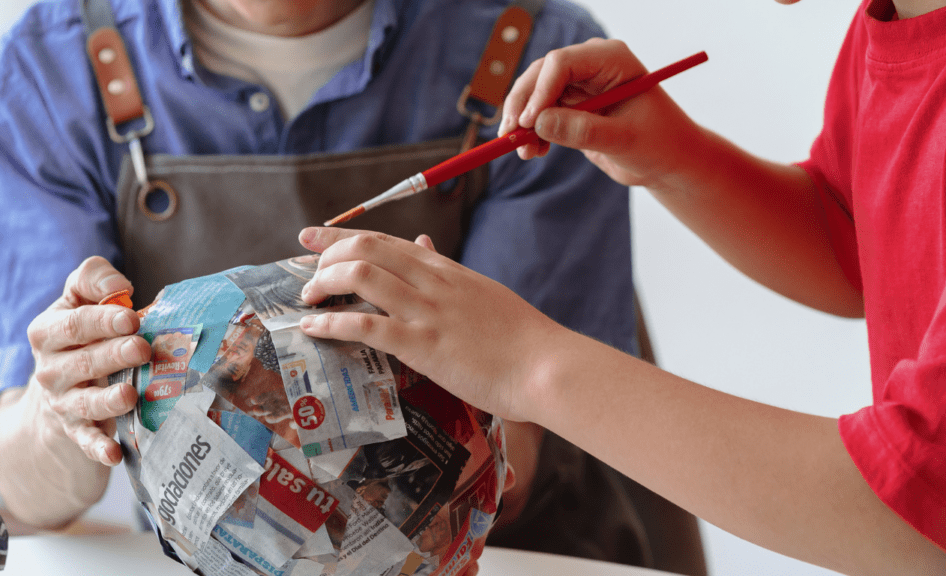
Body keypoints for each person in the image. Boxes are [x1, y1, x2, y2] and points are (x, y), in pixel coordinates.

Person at [0, 0, 706, 572]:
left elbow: (527, 439)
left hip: (525, 549)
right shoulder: (42, 75)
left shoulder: (541, 62)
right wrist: (63, 406)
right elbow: (31, 489)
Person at [291, 0, 946, 574]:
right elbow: (855, 243)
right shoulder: (890, 22)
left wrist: (527, 362)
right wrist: (679, 159)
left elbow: (914, 516)